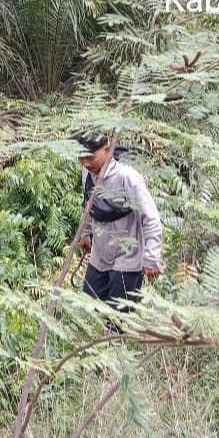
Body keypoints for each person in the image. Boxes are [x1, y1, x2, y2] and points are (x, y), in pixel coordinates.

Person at [74, 132, 165, 319]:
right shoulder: (88, 173)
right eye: (81, 158)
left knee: (118, 319)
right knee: (89, 312)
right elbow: (89, 203)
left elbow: (151, 218)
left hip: (128, 258)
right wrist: (85, 233)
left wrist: (151, 258)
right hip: (100, 255)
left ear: (107, 150)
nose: (85, 163)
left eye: (90, 157)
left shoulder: (127, 177)